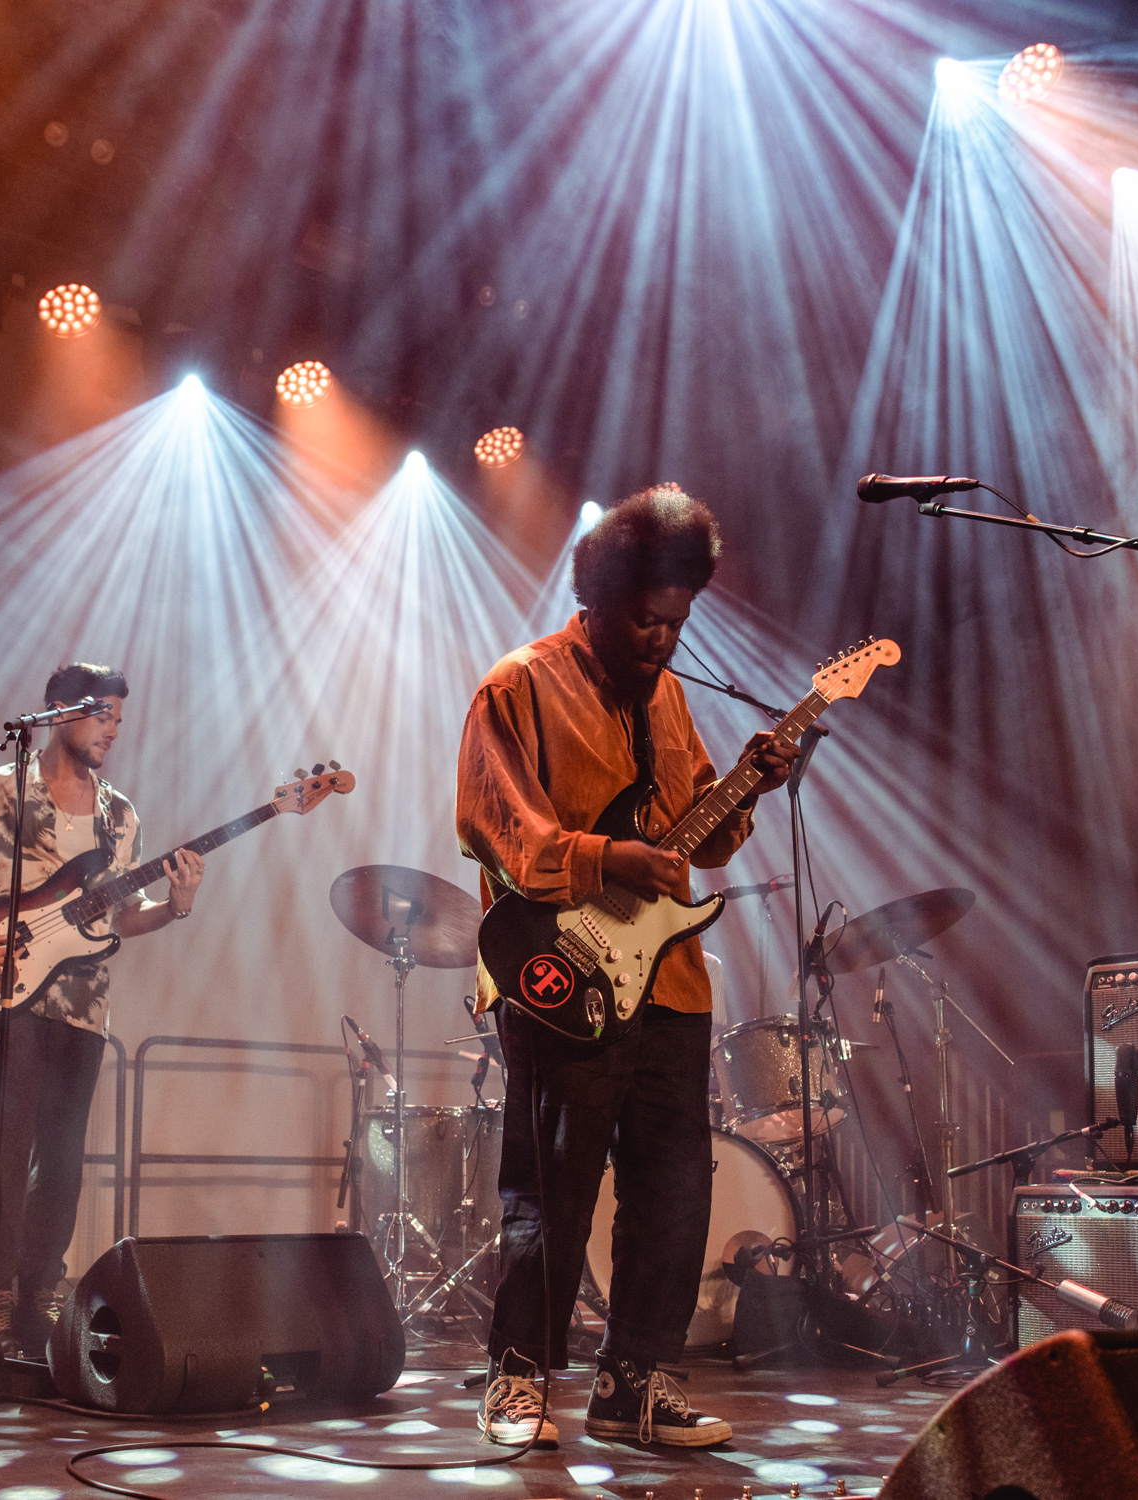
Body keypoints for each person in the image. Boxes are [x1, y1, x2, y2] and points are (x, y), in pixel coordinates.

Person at [456, 487, 796, 1448]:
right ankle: (520, 1380)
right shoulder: (518, 686)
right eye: (647, 621)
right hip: (560, 975)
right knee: (552, 1186)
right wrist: (607, 859)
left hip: (671, 982)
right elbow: (497, 826)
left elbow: (702, 842)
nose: (663, 640)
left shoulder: (674, 699)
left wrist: (748, 792)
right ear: (598, 602)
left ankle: (635, 1380)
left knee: (677, 1186)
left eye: (678, 622)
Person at [0, 662, 203, 1353]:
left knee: (62, 1166)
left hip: (83, 1010)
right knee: (3, 1156)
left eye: (120, 722)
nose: (113, 731)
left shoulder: (119, 815)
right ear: (58, 712)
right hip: (5, 995)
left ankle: (42, 1300)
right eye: (103, 715)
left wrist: (176, 908)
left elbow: (122, 918)